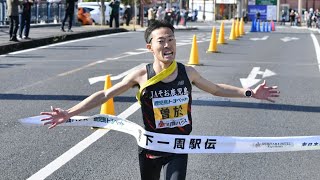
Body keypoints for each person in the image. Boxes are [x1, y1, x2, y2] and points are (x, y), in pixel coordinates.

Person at [40, 20, 280, 180]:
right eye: (161, 41)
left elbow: (216, 89)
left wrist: (249, 92)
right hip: (150, 146)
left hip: (179, 145)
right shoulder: (141, 75)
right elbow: (105, 94)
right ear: (150, 47)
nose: (168, 45)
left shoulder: (188, 72)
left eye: (171, 39)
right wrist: (69, 113)